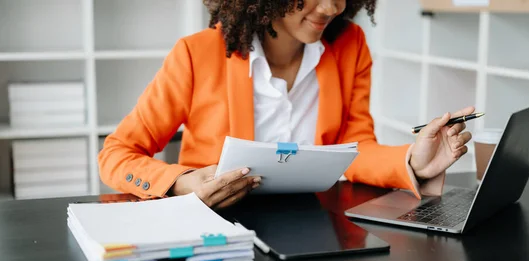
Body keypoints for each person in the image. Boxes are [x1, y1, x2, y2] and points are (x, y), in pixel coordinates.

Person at [98, 0, 474, 210]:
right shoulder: (196, 55)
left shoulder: (350, 44)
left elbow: (355, 148)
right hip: (219, 225)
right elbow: (117, 153)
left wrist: (412, 160)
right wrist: (179, 183)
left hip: (317, 225)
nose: (332, 6)